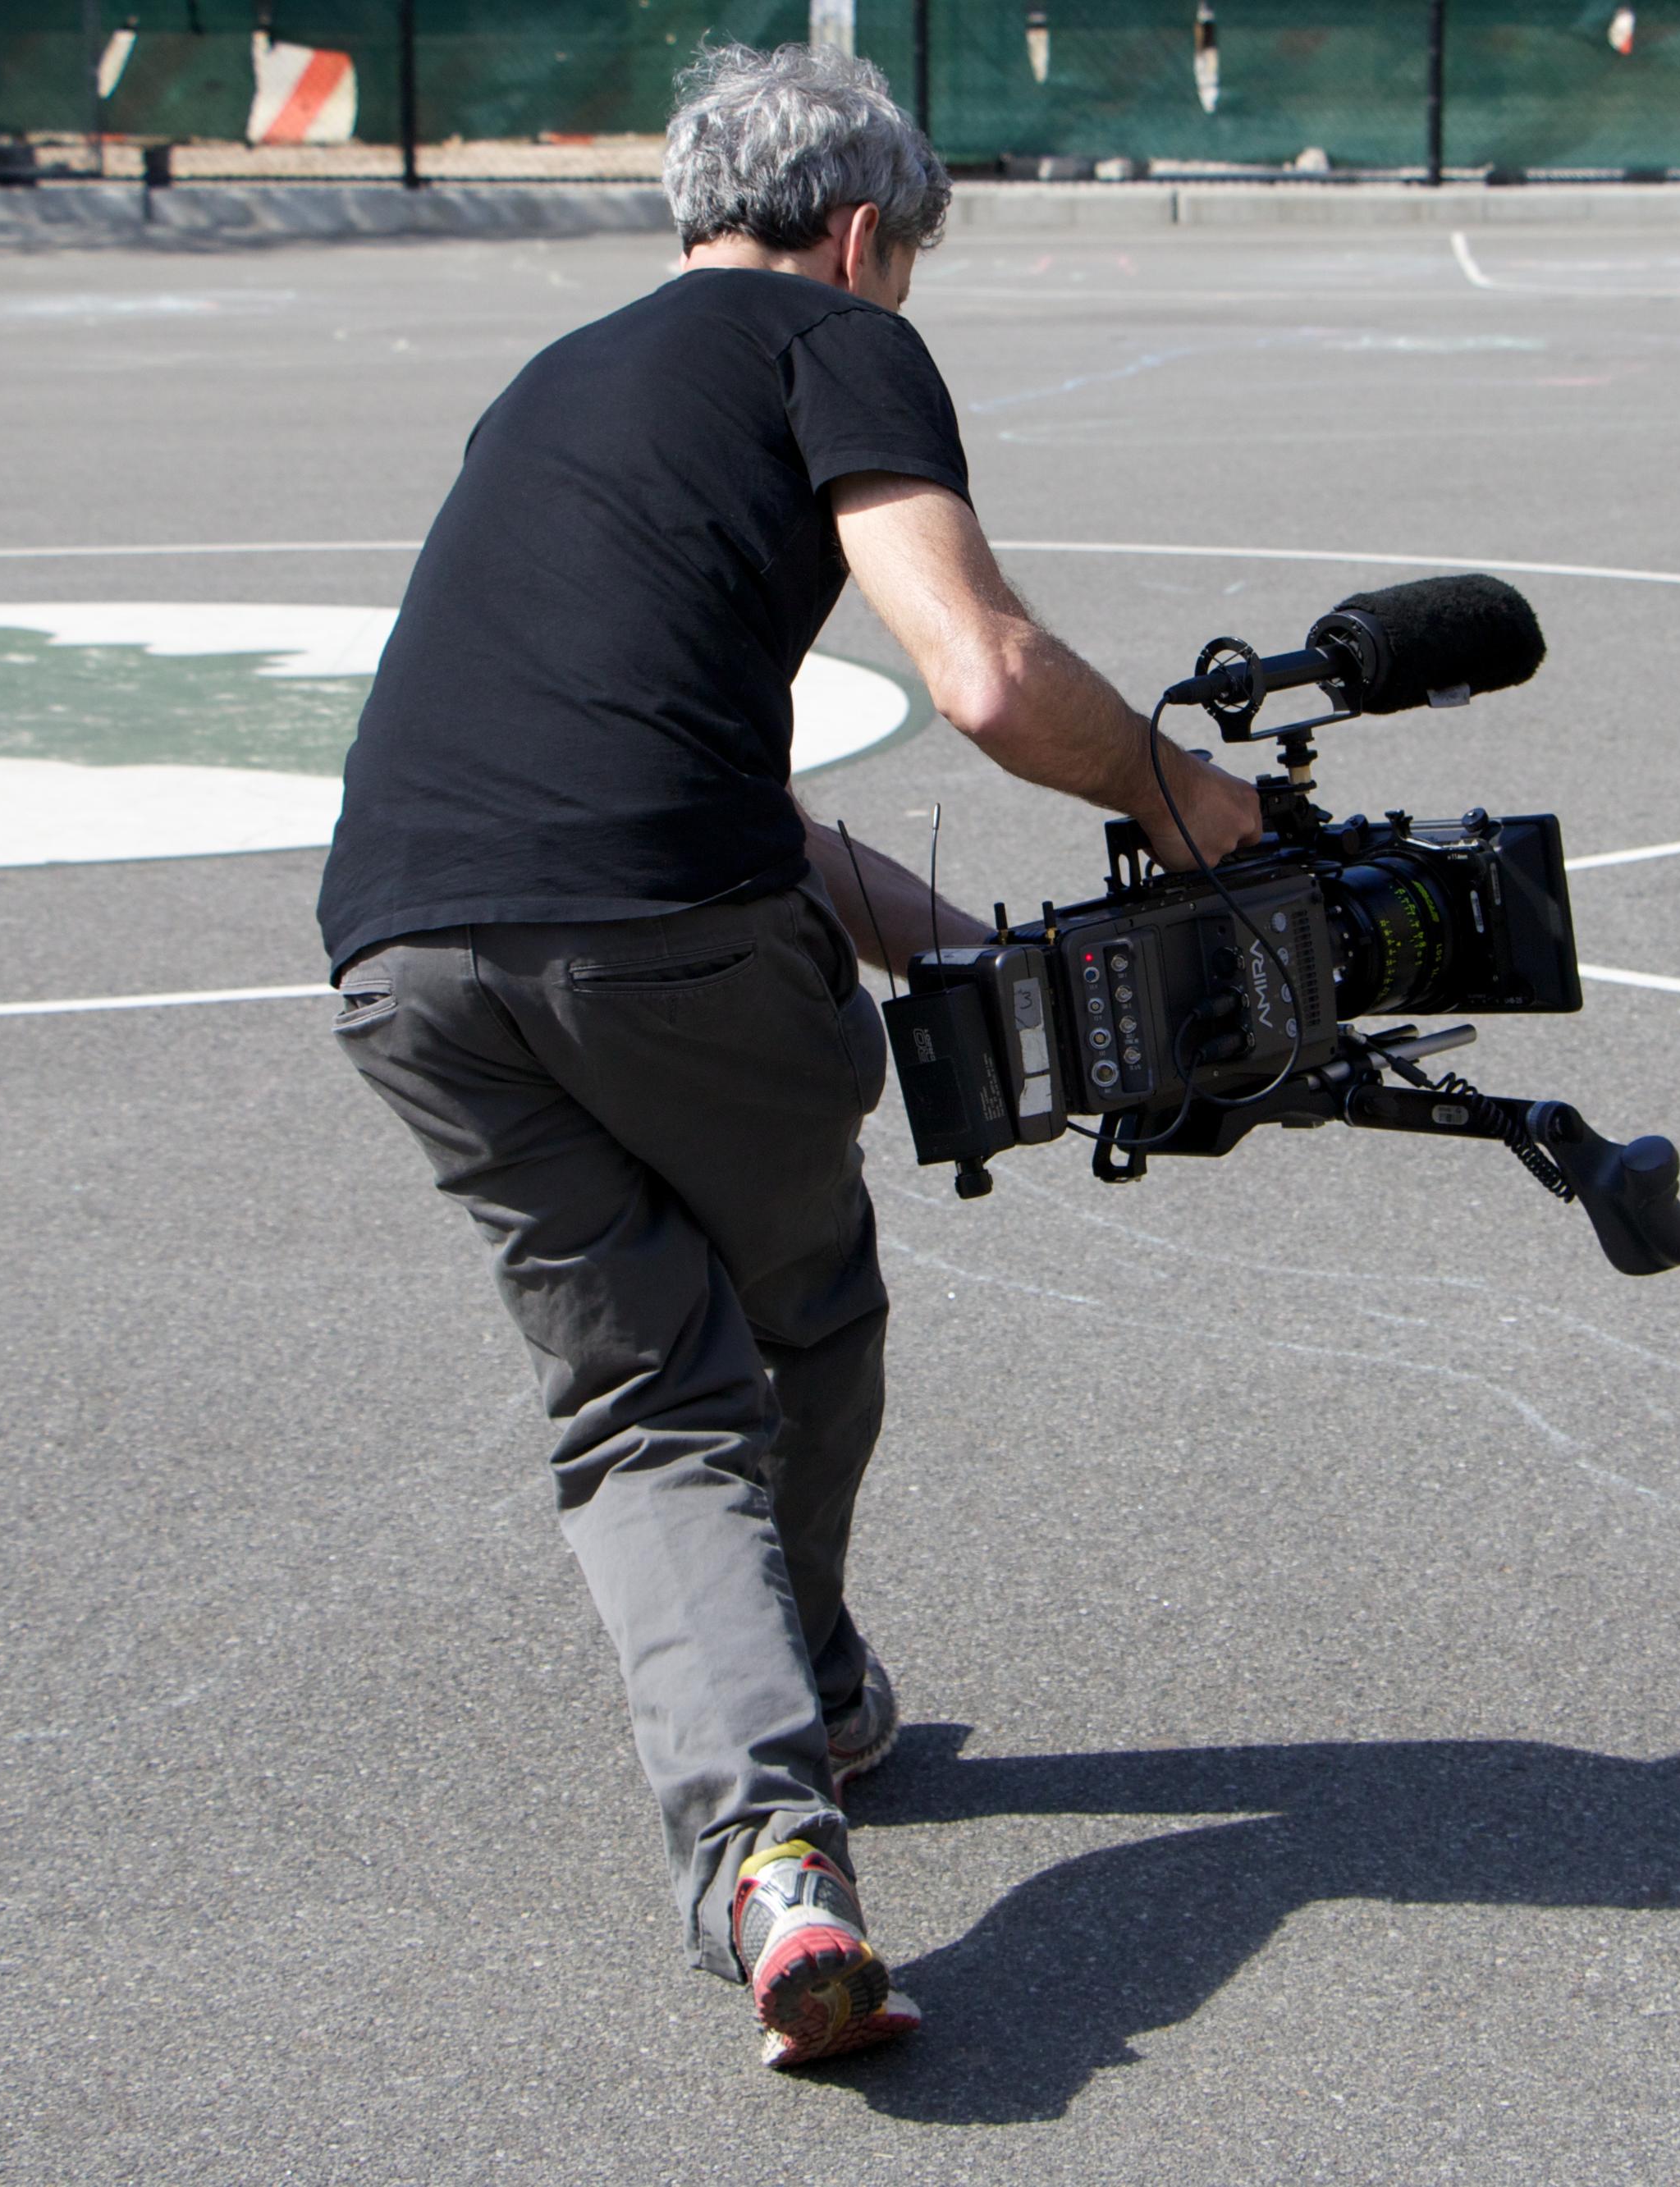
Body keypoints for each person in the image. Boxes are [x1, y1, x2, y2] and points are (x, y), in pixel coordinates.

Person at [313, 42, 1261, 2070]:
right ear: (854, 234)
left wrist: (961, 941)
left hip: (400, 953)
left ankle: (767, 1858)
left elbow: (661, 771)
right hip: (666, 937)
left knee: (643, 1402)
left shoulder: (556, 380)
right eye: (903, 260)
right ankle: (810, 1681)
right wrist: (1187, 806)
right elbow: (982, 673)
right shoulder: (832, 339)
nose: (898, 292)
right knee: (801, 1316)